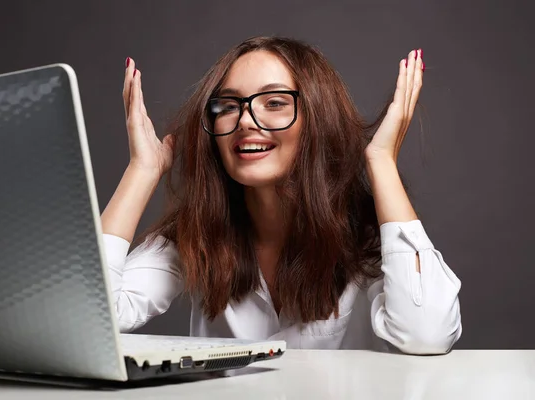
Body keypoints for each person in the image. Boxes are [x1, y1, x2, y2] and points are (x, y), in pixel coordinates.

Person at [100, 36, 462, 355]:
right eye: (227, 105)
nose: (244, 120)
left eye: (274, 103)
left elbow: (426, 336)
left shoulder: (366, 236)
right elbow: (93, 315)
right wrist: (142, 171)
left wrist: (381, 161)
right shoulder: (197, 234)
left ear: (318, 121)